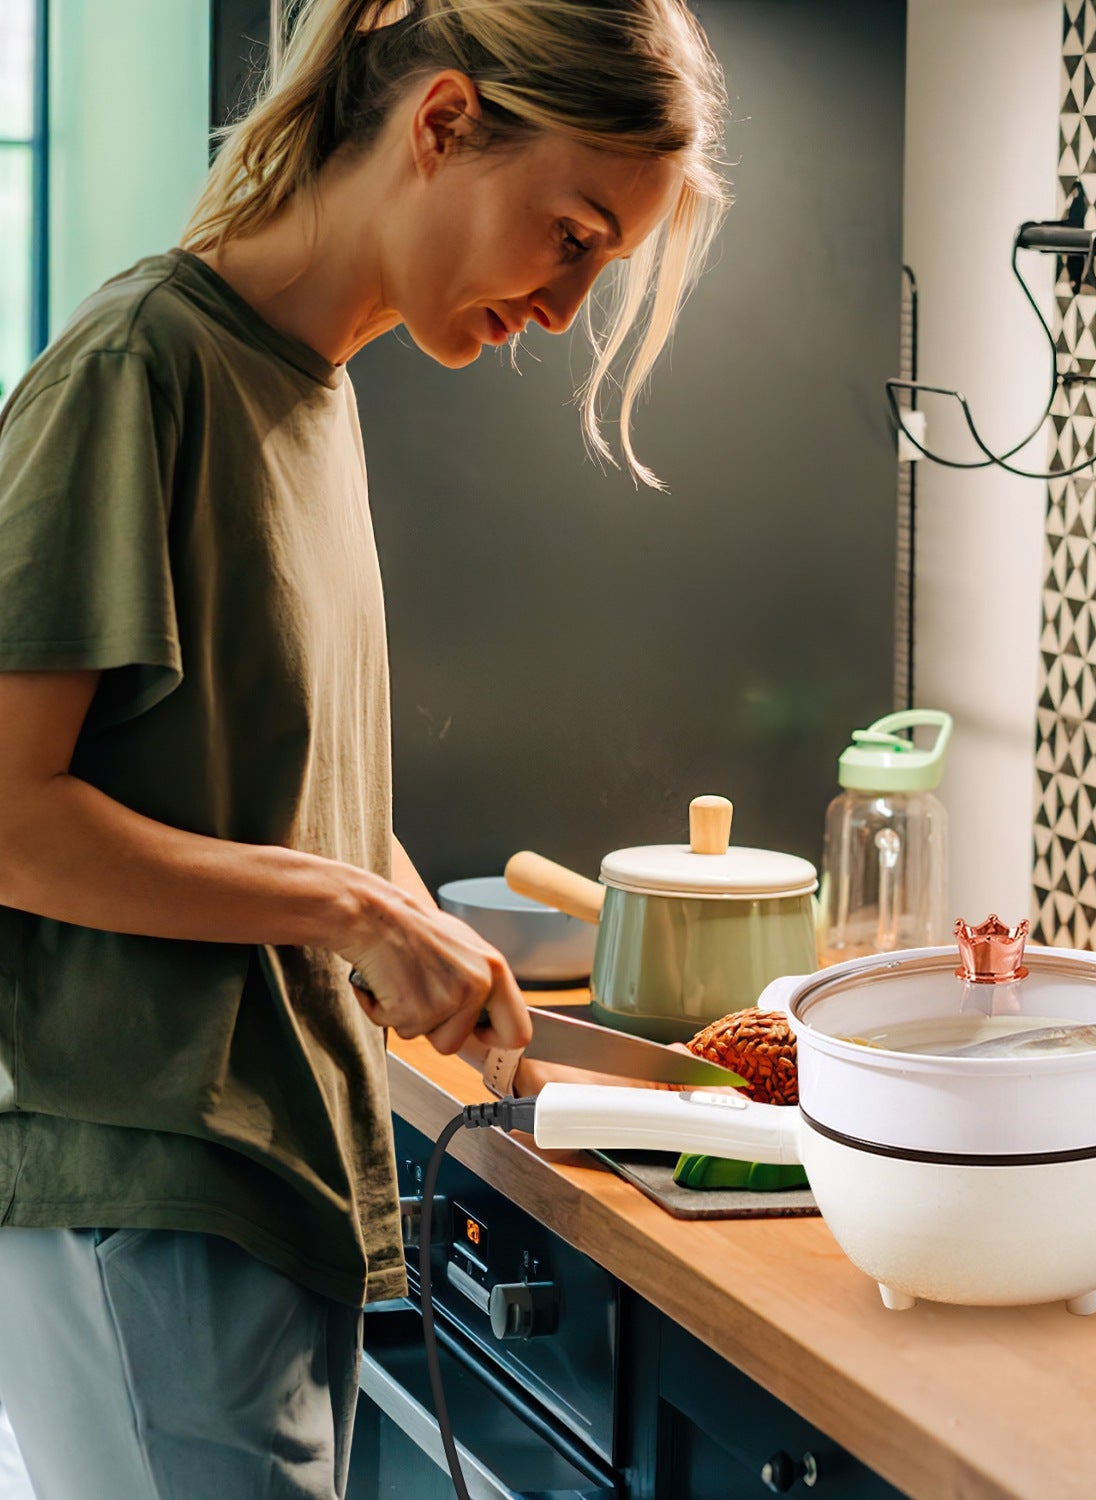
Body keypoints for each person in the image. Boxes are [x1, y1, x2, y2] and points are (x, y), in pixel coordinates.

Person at [0, 2, 728, 1496]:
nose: (571, 306)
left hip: (273, 1171)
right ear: (444, 124)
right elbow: (9, 816)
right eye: (573, 234)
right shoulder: (143, 369)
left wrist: (417, 924)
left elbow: (265, 785)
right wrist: (361, 913)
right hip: (147, 1174)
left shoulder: (308, 389)